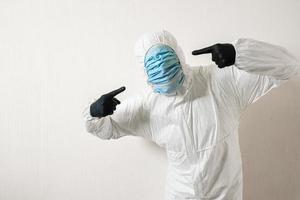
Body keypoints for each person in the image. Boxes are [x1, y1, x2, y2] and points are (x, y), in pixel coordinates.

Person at [82, 30, 299, 200]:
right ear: (144, 69)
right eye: (153, 64)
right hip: (181, 195)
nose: (162, 69)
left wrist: (240, 54)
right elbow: (107, 128)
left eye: (165, 58)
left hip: (226, 194)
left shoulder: (222, 83)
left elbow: (288, 66)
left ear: (178, 54)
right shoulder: (147, 106)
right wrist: (95, 113)